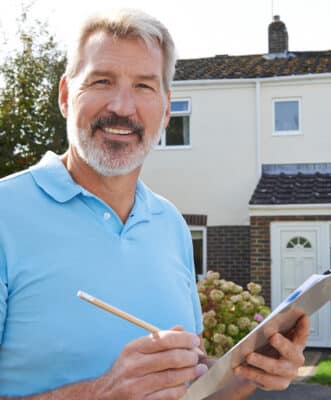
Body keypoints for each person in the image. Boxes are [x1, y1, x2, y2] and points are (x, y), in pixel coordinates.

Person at [0, 8, 310, 399]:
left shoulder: (171, 224)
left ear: (166, 110)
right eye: (102, 81)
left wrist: (253, 370)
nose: (123, 107)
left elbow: (191, 384)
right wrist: (104, 392)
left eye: (144, 87)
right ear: (65, 95)